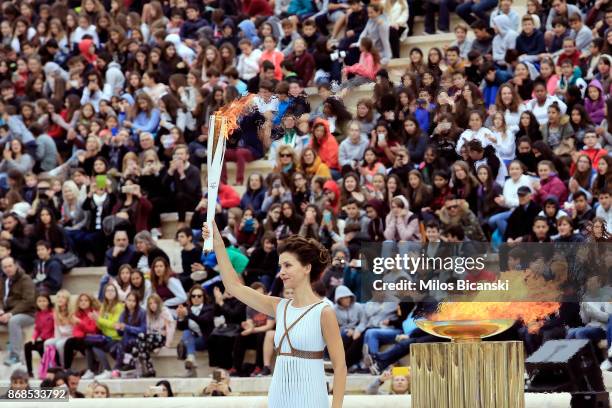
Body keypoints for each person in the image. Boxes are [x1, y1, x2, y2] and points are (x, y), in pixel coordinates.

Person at [202, 222, 346, 408]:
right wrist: (219, 244)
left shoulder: (324, 312)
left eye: (287, 265)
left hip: (312, 398)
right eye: (280, 266)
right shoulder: (279, 306)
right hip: (278, 397)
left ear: (306, 268)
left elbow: (340, 367)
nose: (281, 272)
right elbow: (233, 286)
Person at [0, 256, 36, 366]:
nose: (8, 269)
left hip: (27, 313)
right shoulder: (3, 280)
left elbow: (28, 301)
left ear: (15, 265)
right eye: (5, 267)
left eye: (10, 266)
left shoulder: (25, 279)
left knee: (14, 321)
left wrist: (11, 314)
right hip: (6, 312)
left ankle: (15, 355)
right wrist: (1, 310)